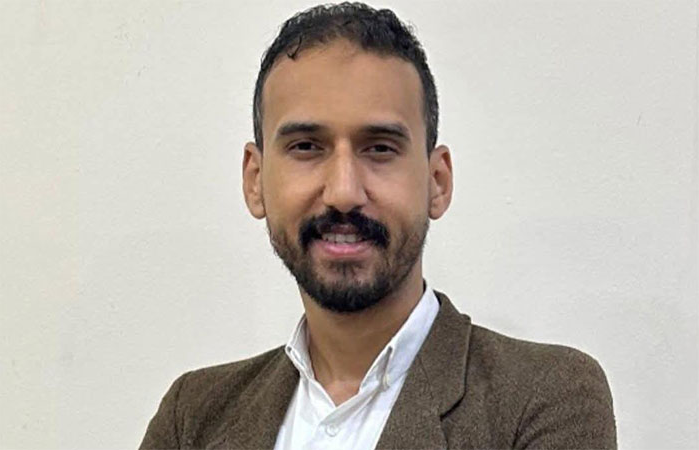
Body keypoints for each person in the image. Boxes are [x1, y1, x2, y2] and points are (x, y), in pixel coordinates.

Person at [140, 3, 617, 449]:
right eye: (306, 147)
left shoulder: (544, 396)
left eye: (380, 149)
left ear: (437, 182)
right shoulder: (193, 416)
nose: (343, 192)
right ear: (255, 180)